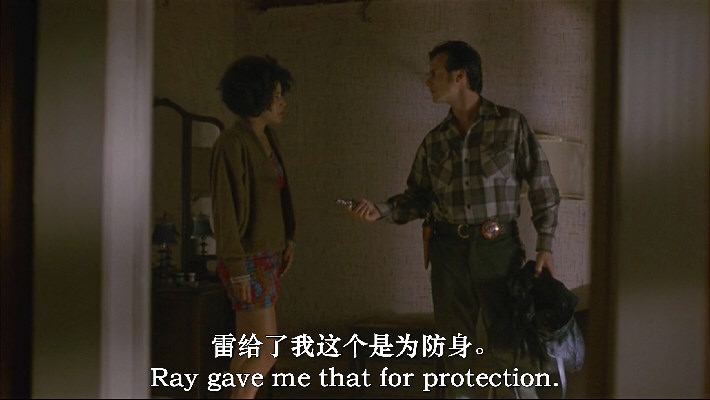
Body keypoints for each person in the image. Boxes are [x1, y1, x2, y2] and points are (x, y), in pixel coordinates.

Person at [348, 40, 560, 398]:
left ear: (459, 76)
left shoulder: (510, 125)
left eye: (434, 73)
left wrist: (545, 245)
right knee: (454, 353)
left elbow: (542, 185)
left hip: (498, 251)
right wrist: (381, 210)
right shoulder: (435, 141)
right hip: (448, 254)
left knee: (511, 347)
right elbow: (418, 197)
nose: (427, 81)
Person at [210, 55, 296, 399]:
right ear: (256, 98)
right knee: (266, 351)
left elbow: (279, 198)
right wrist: (237, 268)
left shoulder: (268, 138)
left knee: (247, 351)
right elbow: (225, 210)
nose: (282, 103)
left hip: (267, 255)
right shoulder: (232, 143)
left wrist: (289, 240)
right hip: (248, 258)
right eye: (275, 96)